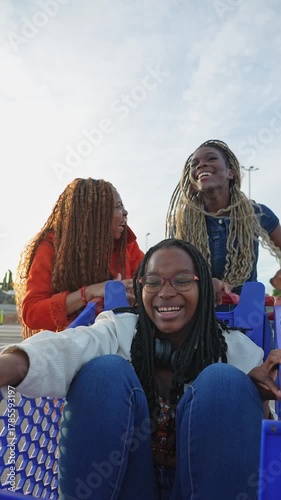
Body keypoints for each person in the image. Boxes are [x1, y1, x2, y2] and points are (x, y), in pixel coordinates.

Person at [1, 238, 281, 500]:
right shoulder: (119, 330)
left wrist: (260, 398)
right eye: (153, 282)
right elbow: (73, 345)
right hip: (128, 483)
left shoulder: (239, 351)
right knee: (103, 373)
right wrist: (15, 362)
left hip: (201, 485)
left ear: (203, 289)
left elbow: (255, 446)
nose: (166, 292)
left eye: (182, 281)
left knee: (225, 382)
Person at [14, 177, 144, 338]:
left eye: (122, 206)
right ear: (95, 214)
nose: (125, 212)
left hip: (120, 340)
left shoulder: (128, 245)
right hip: (70, 346)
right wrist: (89, 292)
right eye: (118, 206)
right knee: (109, 364)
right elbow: (32, 313)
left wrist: (136, 298)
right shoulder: (53, 246)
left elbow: (152, 284)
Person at [166, 139, 281, 303]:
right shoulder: (181, 224)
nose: (201, 165)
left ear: (230, 173)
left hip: (248, 316)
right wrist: (204, 282)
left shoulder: (257, 214)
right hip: (199, 314)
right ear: (192, 182)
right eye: (194, 164)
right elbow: (172, 272)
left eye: (211, 158)